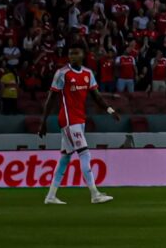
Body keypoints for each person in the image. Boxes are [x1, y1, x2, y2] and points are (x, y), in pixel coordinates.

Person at [41, 46, 117, 206]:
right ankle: (95, 194)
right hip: (69, 120)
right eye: (70, 53)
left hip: (80, 120)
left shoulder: (88, 73)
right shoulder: (62, 73)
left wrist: (110, 110)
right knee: (84, 154)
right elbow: (51, 97)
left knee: (65, 158)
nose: (73, 56)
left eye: (76, 53)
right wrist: (43, 121)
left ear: (83, 55)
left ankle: (51, 196)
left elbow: (96, 96)